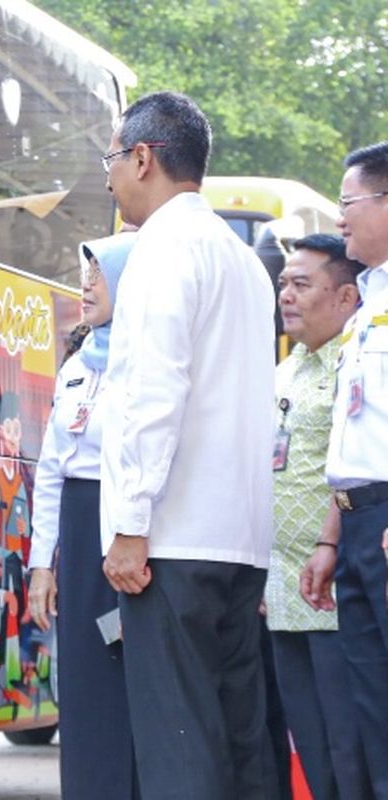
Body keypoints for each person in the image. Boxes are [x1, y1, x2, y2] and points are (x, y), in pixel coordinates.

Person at [98, 91, 277, 799]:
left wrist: (131, 526)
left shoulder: (160, 251)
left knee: (178, 742)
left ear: (143, 157)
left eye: (112, 159)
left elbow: (152, 396)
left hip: (171, 537)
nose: (109, 177)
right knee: (239, 737)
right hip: (240, 537)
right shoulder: (242, 261)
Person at [28, 232, 138, 800]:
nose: (85, 286)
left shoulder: (147, 360)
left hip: (128, 527)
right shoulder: (78, 363)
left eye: (98, 275)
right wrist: (40, 565)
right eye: (85, 273)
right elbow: (50, 468)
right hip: (77, 525)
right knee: (85, 679)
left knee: (129, 673)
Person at [267, 233, 370, 800]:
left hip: (332, 590)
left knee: (348, 743)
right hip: (282, 589)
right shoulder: (287, 369)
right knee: (309, 743)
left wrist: (328, 546)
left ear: (346, 296)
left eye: (302, 284)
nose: (287, 296)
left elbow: (353, 464)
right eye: (283, 284)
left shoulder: (354, 363)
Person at [310, 140, 388, 799]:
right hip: (360, 520)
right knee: (373, 704)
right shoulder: (365, 303)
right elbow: (356, 429)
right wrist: (333, 538)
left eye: (348, 202)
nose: (340, 219)